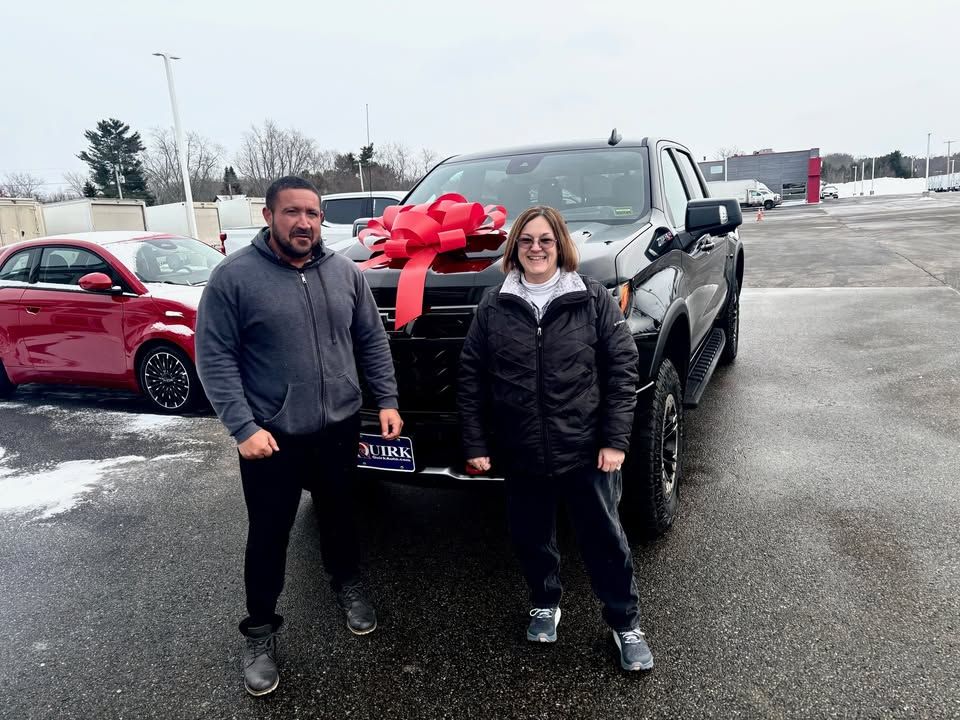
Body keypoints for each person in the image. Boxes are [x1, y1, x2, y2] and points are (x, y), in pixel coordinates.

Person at [196, 176, 402, 696]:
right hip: (272, 437)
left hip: (338, 427)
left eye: (312, 213)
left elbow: (371, 340)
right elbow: (214, 357)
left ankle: (347, 584)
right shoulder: (233, 278)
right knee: (269, 535)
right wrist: (243, 428)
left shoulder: (344, 273)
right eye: (292, 212)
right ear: (269, 216)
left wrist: (388, 401)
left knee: (339, 516)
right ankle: (260, 632)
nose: (304, 222)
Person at [457, 205, 652, 671]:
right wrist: (477, 444)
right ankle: (545, 602)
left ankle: (626, 624)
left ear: (560, 244)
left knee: (605, 539)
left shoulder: (591, 297)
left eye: (545, 239)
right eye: (526, 240)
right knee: (530, 536)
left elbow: (623, 370)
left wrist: (614, 440)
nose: (536, 248)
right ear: (515, 248)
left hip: (586, 449)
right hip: (521, 450)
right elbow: (471, 376)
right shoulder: (495, 304)